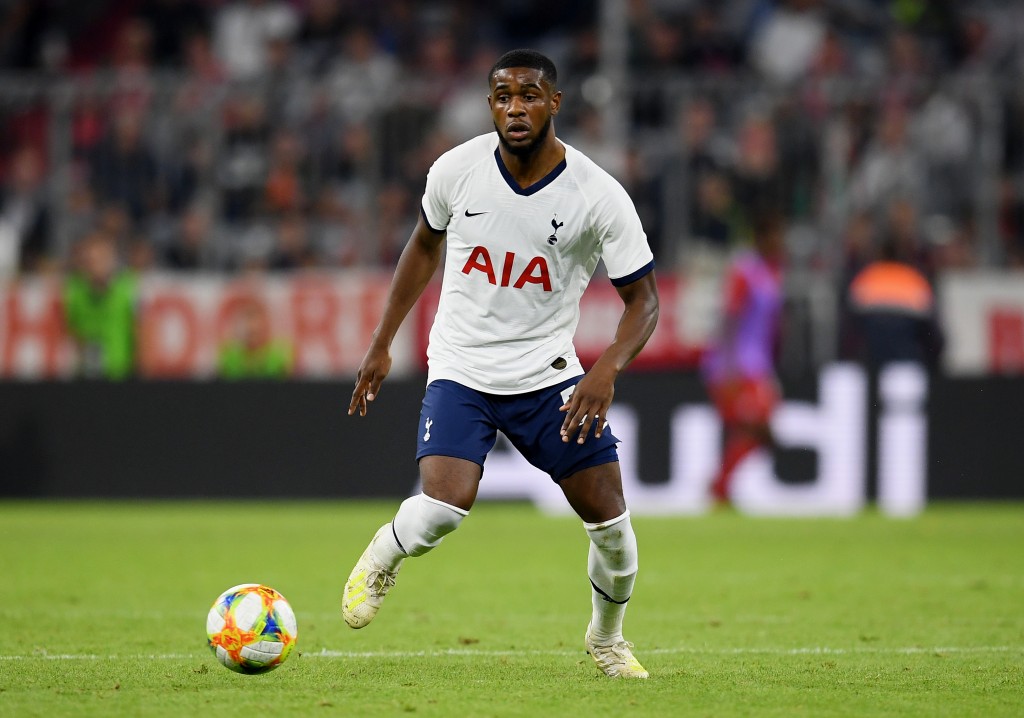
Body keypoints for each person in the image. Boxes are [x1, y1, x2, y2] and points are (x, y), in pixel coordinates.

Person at [342, 49, 659, 679]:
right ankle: (383, 555)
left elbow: (644, 301)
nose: (516, 108)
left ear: (554, 103)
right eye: (504, 96)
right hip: (461, 365)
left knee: (614, 532)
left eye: (530, 95)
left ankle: (606, 639)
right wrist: (382, 340)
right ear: (490, 105)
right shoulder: (455, 170)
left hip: (547, 377)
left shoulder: (597, 194)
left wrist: (605, 370)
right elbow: (423, 246)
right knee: (442, 508)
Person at [701, 210, 785, 505]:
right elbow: (730, 318)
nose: (780, 242)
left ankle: (720, 486)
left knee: (758, 432)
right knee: (759, 428)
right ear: (761, 237)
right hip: (737, 366)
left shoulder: (773, 272)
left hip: (758, 367)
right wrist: (728, 367)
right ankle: (720, 487)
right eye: (775, 236)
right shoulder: (745, 271)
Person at [847, 238, 943, 370]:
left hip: (872, 360)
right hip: (907, 360)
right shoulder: (915, 279)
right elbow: (932, 333)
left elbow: (850, 328)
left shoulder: (865, 277)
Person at [62, 230, 139, 379]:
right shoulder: (74, 290)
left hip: (120, 373)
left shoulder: (128, 288)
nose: (96, 266)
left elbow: (139, 331)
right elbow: (71, 332)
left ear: (112, 260)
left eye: (101, 259)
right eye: (91, 260)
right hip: (85, 374)